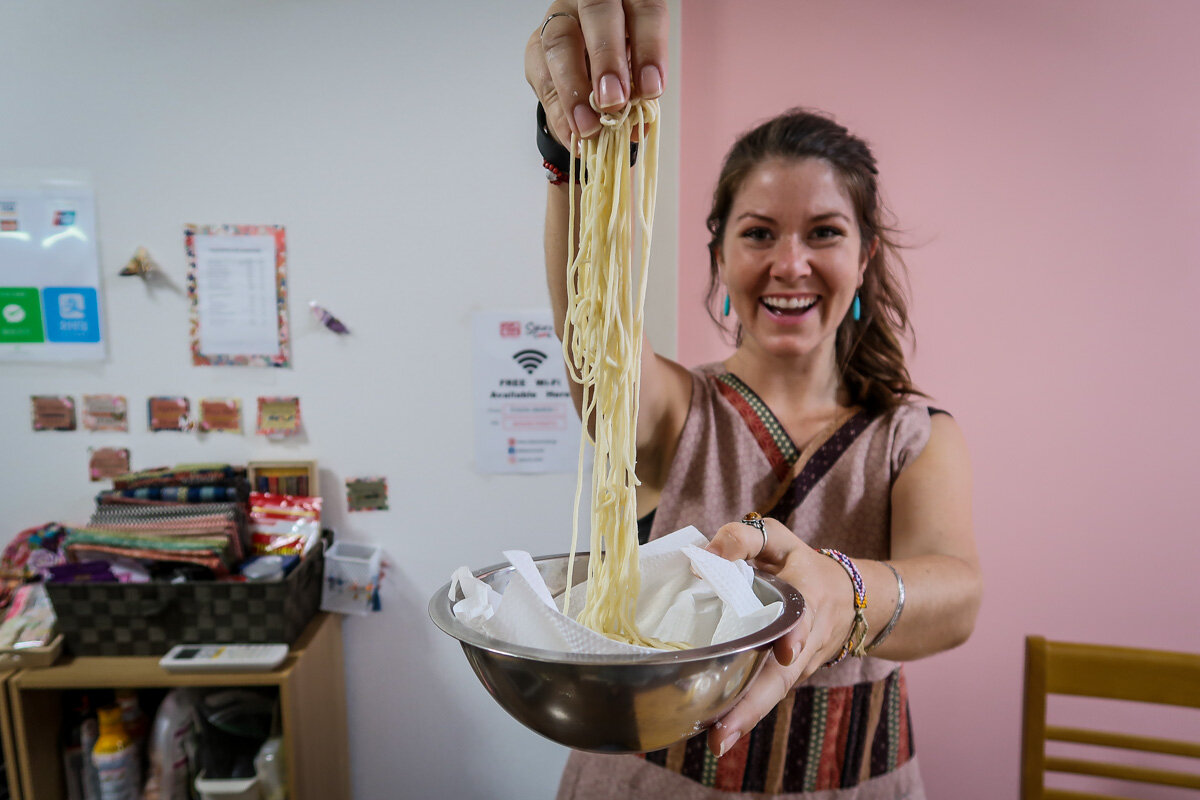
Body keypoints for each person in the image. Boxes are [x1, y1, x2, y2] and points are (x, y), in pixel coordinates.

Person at [527, 3, 983, 797]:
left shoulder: (911, 437)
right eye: (759, 232)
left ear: (866, 253)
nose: (791, 263)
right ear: (720, 254)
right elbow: (598, 341)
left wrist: (845, 591)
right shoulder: (677, 411)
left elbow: (957, 596)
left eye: (826, 233)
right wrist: (578, 155)